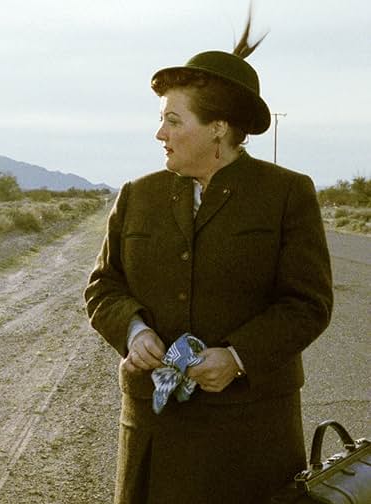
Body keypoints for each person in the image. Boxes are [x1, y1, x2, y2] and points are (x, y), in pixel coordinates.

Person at [83, 17, 333, 504]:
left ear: (218, 129)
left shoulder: (286, 194)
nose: (160, 133)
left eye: (174, 121)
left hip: (252, 433)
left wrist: (237, 358)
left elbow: (308, 303)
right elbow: (103, 286)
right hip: (154, 428)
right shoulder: (137, 195)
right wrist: (134, 331)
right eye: (161, 118)